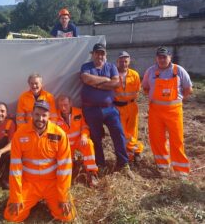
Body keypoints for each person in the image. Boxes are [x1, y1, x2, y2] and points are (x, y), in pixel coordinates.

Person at [4, 100, 75, 222]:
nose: (40, 118)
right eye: (37, 114)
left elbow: (65, 169)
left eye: (44, 115)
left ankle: (48, 200)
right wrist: (16, 197)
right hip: (29, 183)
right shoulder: (20, 134)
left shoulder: (59, 134)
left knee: (68, 216)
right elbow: (15, 169)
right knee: (11, 216)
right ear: (32, 114)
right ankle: (30, 200)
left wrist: (64, 197)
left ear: (49, 116)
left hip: (52, 184)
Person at [80, 43, 133, 178]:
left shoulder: (111, 67)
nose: (100, 56)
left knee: (118, 134)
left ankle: (123, 163)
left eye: (102, 53)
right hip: (91, 109)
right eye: (97, 53)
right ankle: (100, 164)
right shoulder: (86, 66)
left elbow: (115, 83)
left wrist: (95, 83)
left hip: (110, 109)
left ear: (106, 55)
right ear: (93, 54)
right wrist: (104, 80)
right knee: (96, 138)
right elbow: (86, 78)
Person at [142, 46, 192, 178]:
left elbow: (188, 89)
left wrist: (177, 101)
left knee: (177, 139)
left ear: (170, 57)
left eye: (164, 57)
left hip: (174, 111)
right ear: (156, 58)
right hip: (155, 111)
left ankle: (181, 171)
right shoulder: (150, 71)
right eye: (159, 57)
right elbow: (145, 88)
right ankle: (163, 166)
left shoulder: (178, 70)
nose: (162, 59)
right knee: (157, 138)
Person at [56, 95, 98, 187]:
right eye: (61, 105)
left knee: (89, 144)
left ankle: (92, 173)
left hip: (78, 141)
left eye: (66, 105)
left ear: (71, 103)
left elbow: (85, 127)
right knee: (66, 171)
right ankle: (72, 168)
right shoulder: (55, 116)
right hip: (65, 145)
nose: (63, 108)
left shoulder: (78, 112)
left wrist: (84, 136)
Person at [114, 51, 144, 163]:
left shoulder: (134, 75)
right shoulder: (113, 74)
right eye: (121, 61)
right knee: (122, 133)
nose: (123, 63)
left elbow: (137, 90)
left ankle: (133, 155)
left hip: (132, 107)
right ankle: (134, 151)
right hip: (118, 108)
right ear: (117, 62)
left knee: (132, 132)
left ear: (129, 61)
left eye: (125, 61)